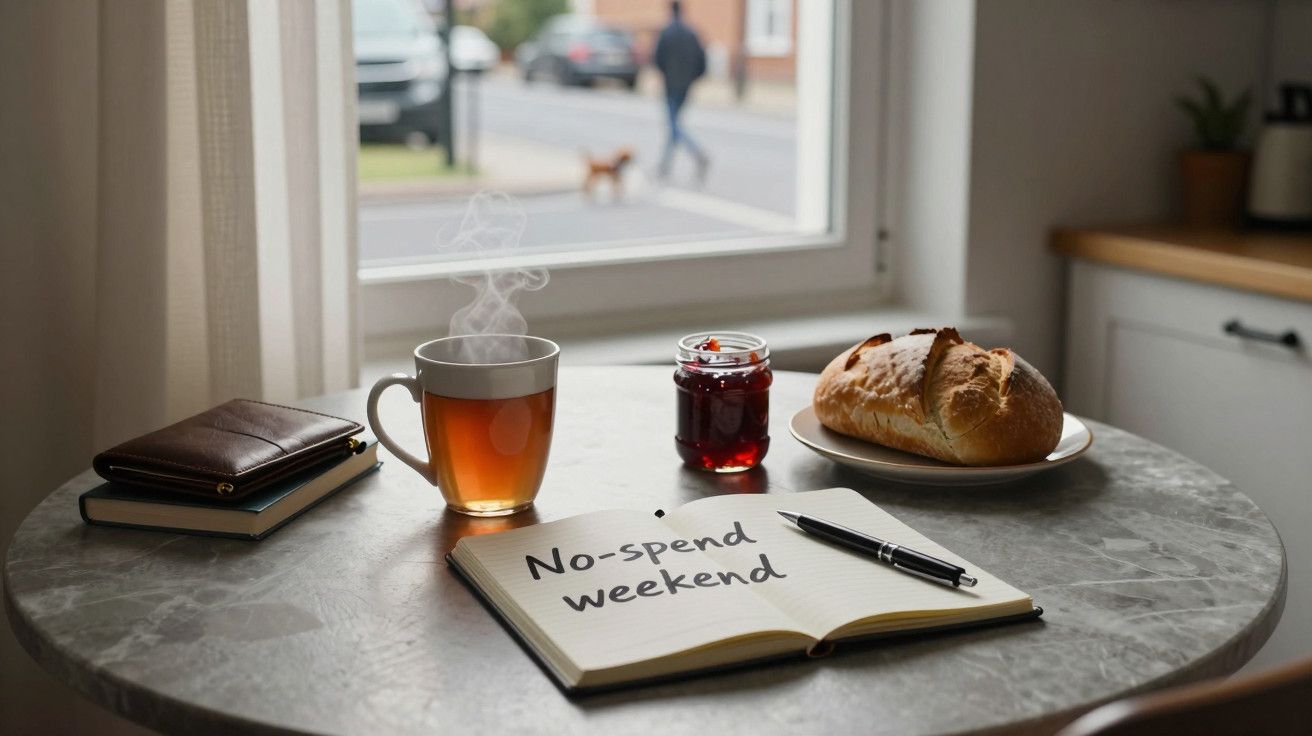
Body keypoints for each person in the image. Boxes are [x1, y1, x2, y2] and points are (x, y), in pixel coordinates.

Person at [653, 0, 709, 181]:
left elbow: (657, 59)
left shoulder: (666, 33)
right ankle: (664, 165)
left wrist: (666, 75)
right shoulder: (691, 33)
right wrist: (693, 78)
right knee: (674, 124)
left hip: (671, 86)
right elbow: (702, 61)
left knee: (674, 125)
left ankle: (697, 153)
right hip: (686, 86)